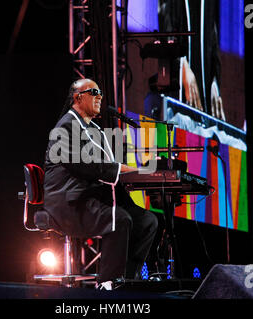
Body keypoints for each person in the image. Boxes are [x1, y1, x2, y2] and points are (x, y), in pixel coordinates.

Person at [43, 79, 158, 290]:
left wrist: (146, 173)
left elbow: (109, 165)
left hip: (90, 197)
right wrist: (131, 172)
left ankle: (128, 280)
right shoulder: (66, 127)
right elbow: (87, 167)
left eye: (101, 93)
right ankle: (107, 284)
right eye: (94, 92)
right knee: (119, 219)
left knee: (147, 221)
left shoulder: (93, 129)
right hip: (70, 202)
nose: (100, 97)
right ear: (77, 97)